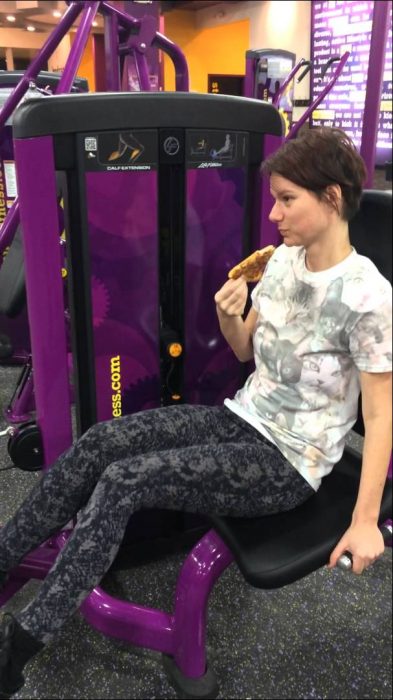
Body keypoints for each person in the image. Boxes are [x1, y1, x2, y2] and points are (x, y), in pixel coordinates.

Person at [1, 127, 392, 698]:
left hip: (291, 462)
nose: (275, 215)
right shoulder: (281, 262)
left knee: (122, 481)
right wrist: (230, 315)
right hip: (243, 418)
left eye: (288, 200)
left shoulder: (368, 296)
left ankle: (19, 649)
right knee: (100, 443)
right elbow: (244, 351)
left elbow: (381, 417)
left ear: (332, 198)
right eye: (275, 199)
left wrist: (362, 522)